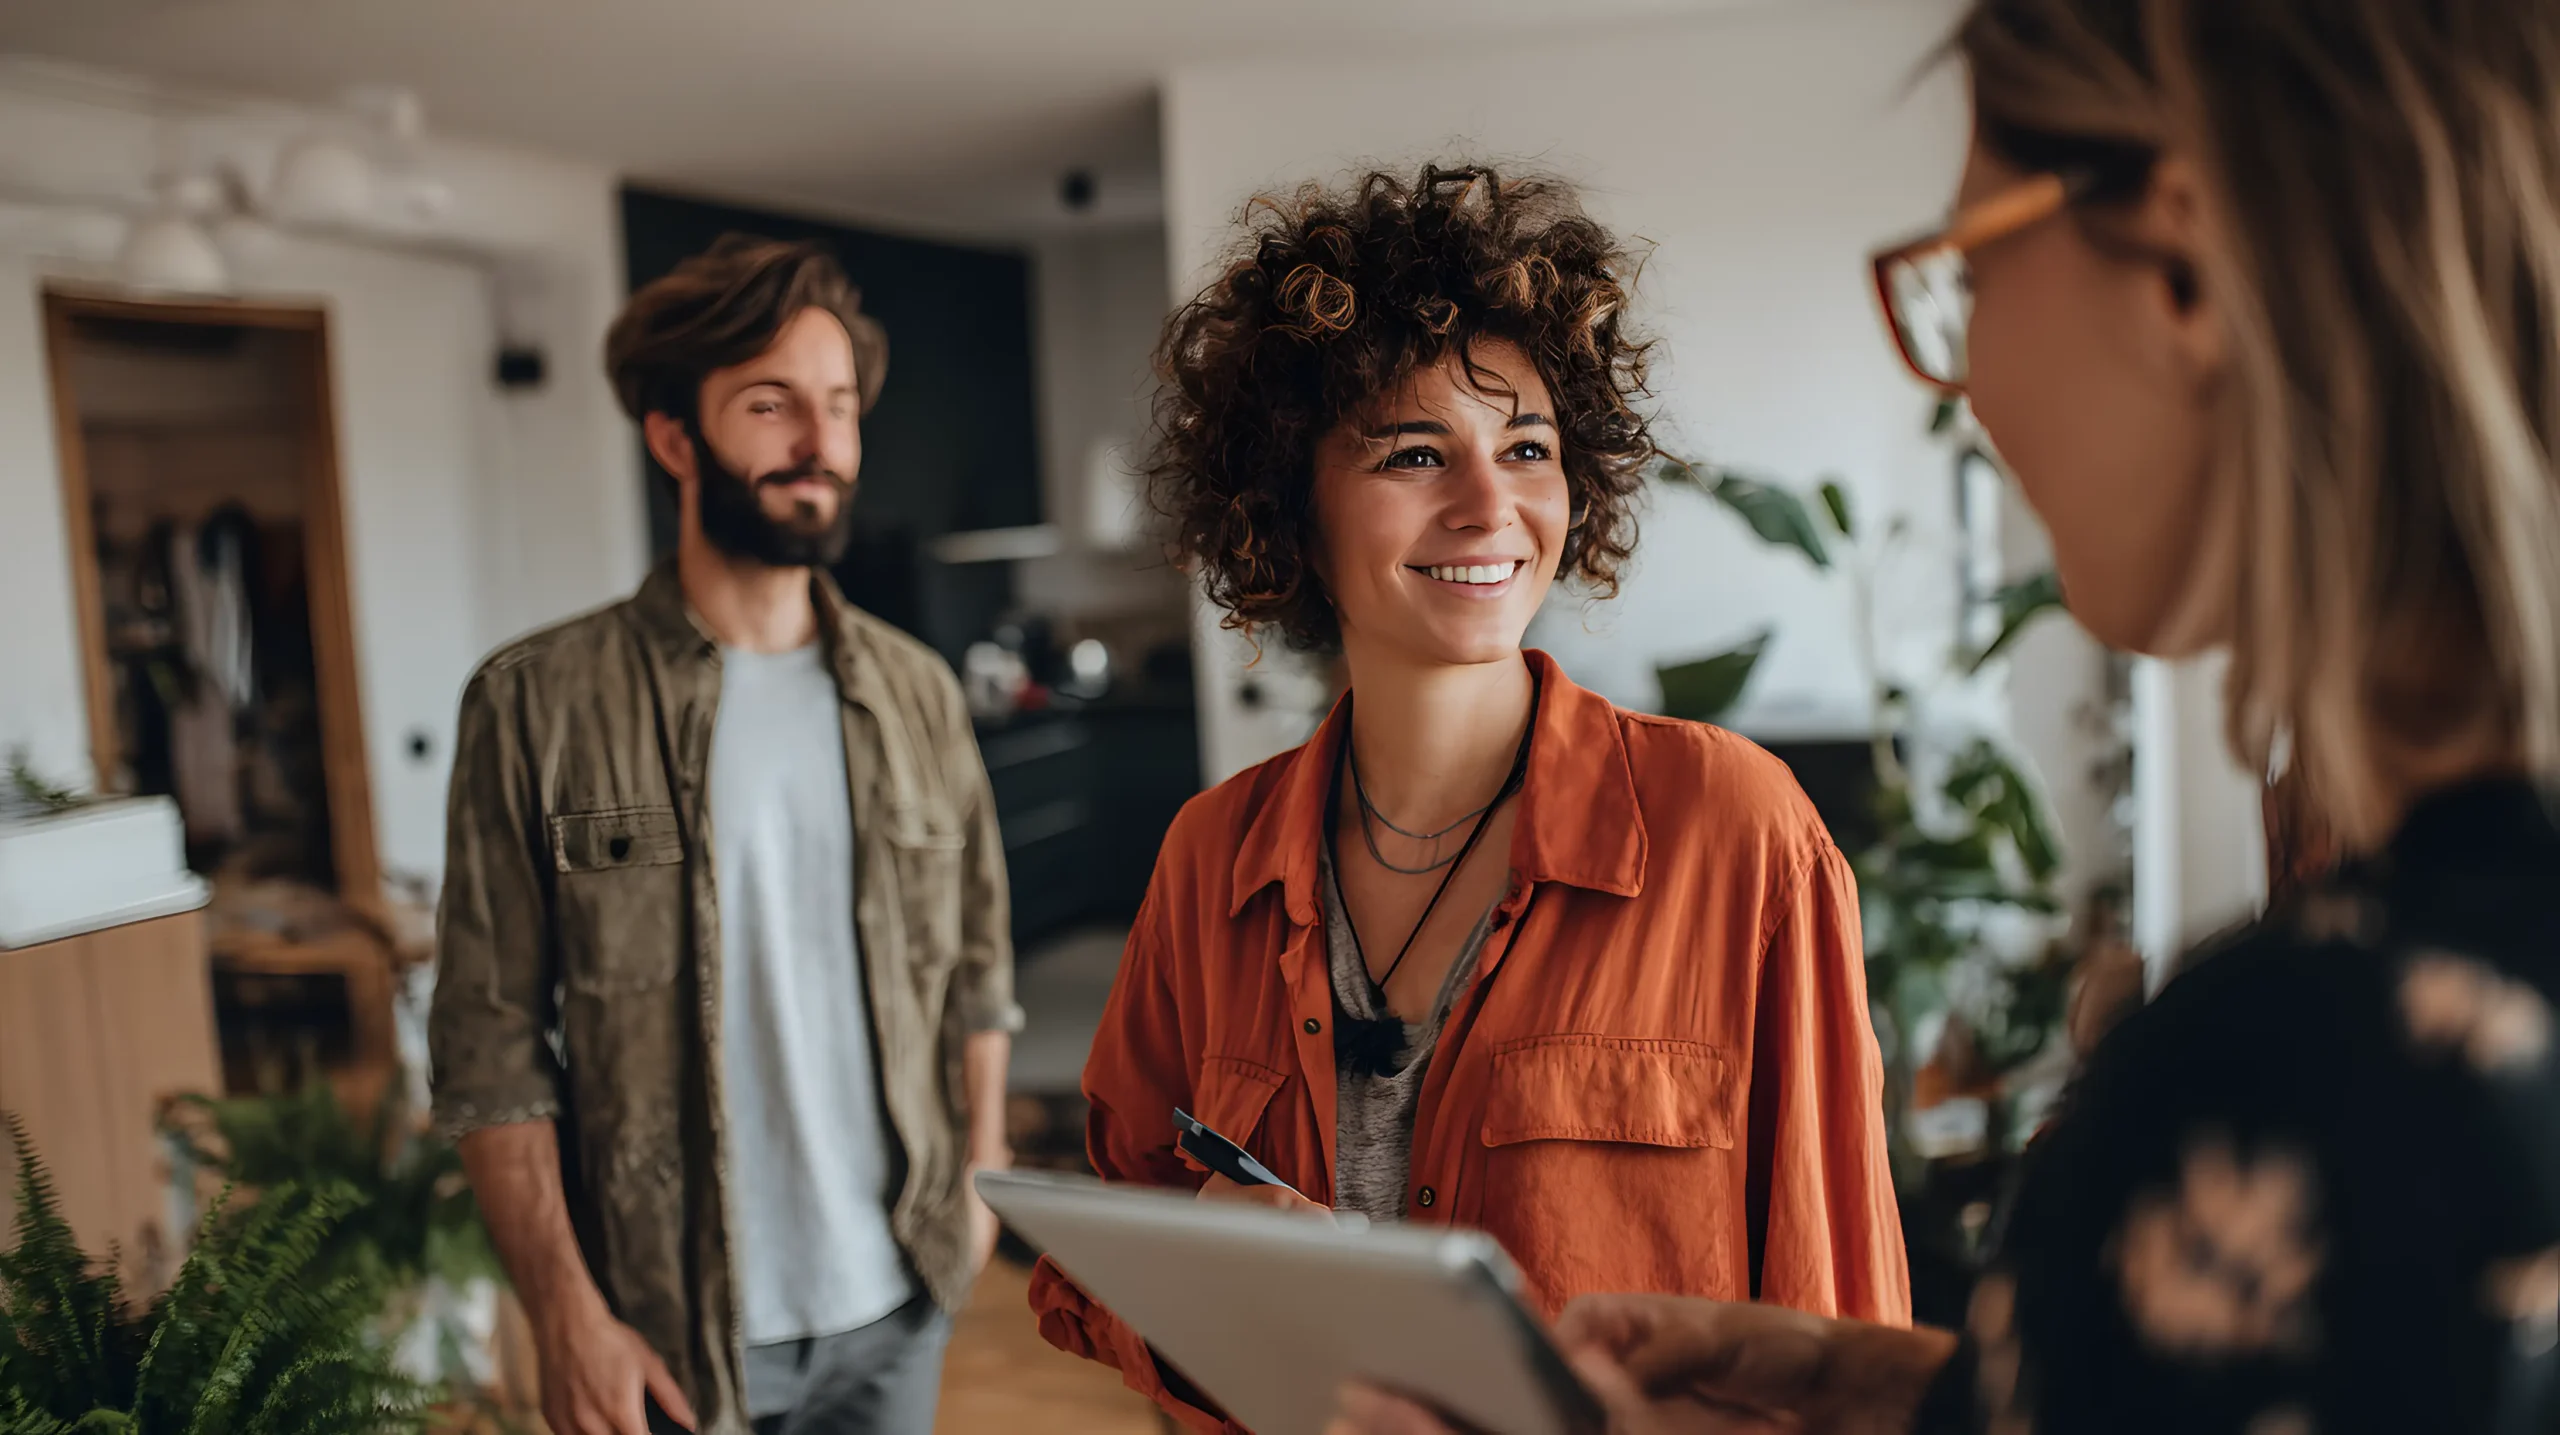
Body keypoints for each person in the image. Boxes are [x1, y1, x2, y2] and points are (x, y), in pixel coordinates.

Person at [1331, 3, 2560, 1434]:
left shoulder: (2288, 1066)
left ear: (2183, 263)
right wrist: (1923, 1395)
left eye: (1967, 267)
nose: (1963, 371)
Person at [1028, 165, 1910, 1431]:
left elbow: (1839, 1315)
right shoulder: (1210, 856)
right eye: (1414, 452)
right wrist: (1225, 1279)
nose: (1491, 506)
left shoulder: (1734, 828)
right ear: (1293, 503)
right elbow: (1098, 1251)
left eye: (1529, 449)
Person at [429, 235, 1019, 1435]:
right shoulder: (535, 703)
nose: (820, 443)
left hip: (897, 1298)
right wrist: (564, 1313)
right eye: (771, 405)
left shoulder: (916, 694)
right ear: (672, 439)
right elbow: (488, 1048)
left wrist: (977, 1181)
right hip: (661, 1326)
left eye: (840, 406)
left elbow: (977, 967)